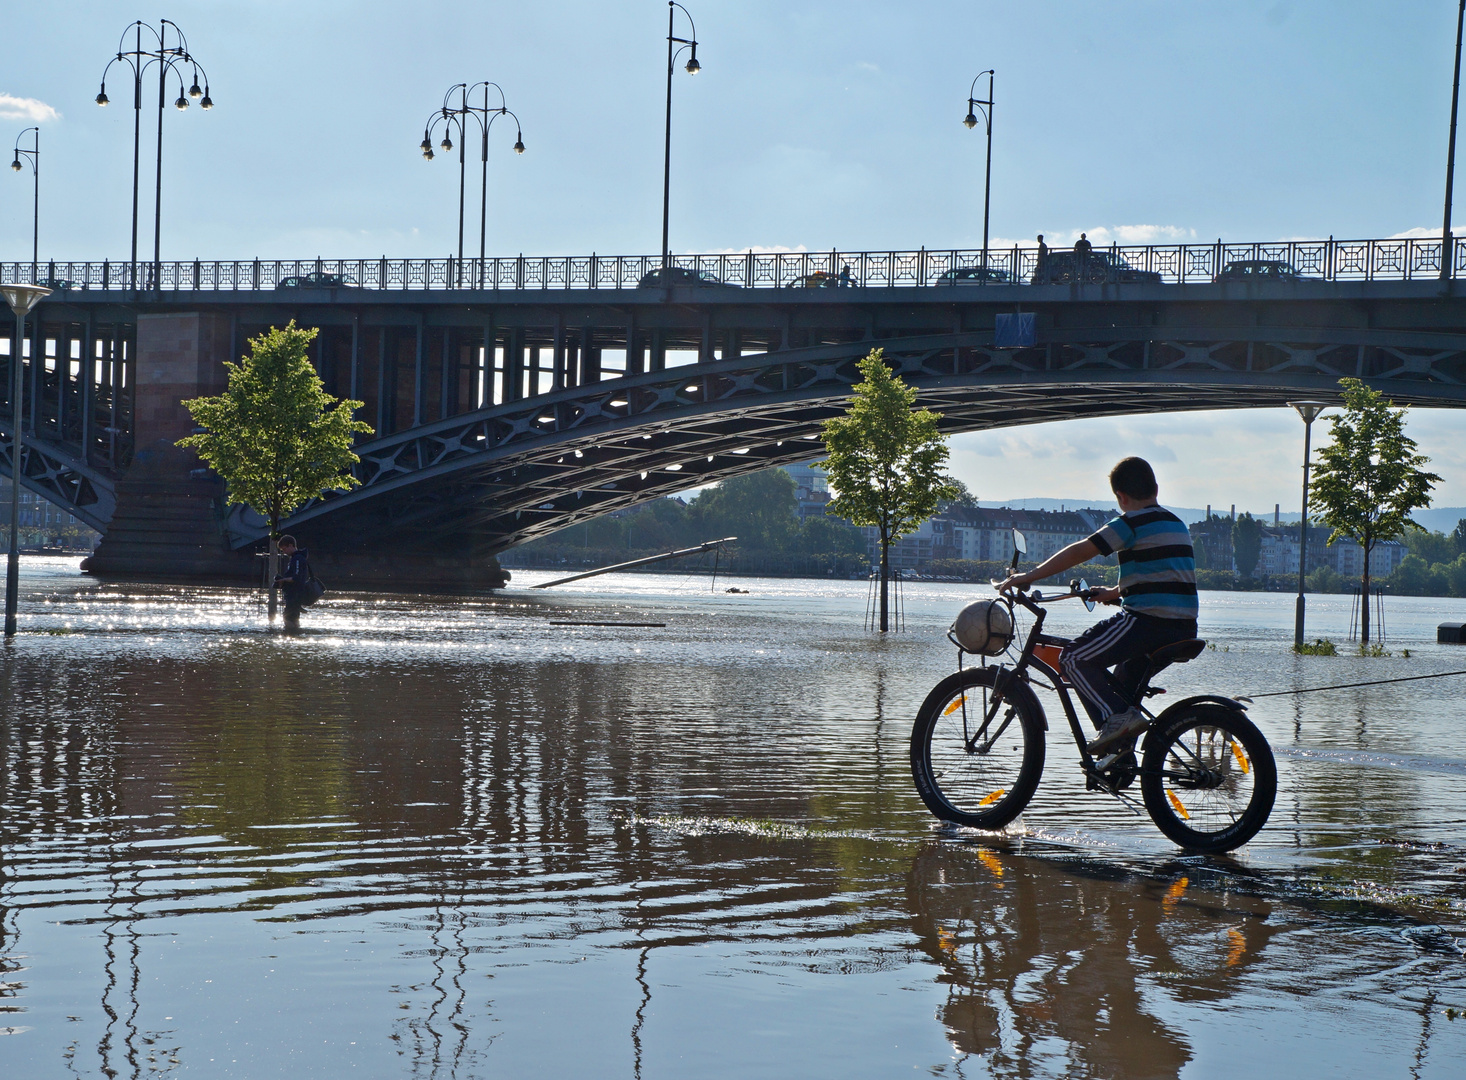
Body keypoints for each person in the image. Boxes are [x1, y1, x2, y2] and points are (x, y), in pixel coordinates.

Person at [998, 457, 1198, 756]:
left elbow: (1082, 550)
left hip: (1148, 622)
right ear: (1156, 488)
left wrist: (1029, 576)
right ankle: (1119, 758)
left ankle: (1119, 722)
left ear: (1121, 497)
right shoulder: (1174, 523)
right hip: (1182, 627)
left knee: (1073, 659)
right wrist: (1115, 592)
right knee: (1120, 686)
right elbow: (1163, 575)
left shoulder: (1131, 522)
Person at [273, 534, 311, 632]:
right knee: (293, 617)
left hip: (295, 593)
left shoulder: (297, 559)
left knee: (288, 617)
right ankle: (295, 633)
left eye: (284, 549)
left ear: (291, 545)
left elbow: (296, 577)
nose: (284, 552)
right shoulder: (296, 558)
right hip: (294, 593)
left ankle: (290, 633)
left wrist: (283, 580)